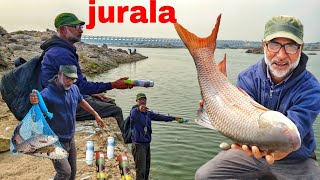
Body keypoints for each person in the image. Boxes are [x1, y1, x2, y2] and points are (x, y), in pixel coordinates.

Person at [195, 15, 320, 179]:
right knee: (204, 176)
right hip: (250, 154)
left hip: (295, 158)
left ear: (301, 48)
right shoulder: (248, 77)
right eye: (274, 45)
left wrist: (278, 151)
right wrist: (217, 107)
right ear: (264, 45)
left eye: (291, 46)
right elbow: (237, 121)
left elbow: (292, 132)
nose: (281, 55)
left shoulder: (312, 89)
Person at [39, 12, 134, 130]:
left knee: (109, 102)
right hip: (59, 105)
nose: (81, 31)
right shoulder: (61, 53)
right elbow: (79, 86)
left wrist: (90, 93)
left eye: (81, 27)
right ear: (63, 30)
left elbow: (75, 85)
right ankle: (121, 144)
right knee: (114, 110)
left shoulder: (63, 50)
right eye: (76, 27)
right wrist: (113, 85)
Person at [30, 65, 105, 180]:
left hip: (70, 138)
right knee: (65, 172)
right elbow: (34, 114)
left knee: (72, 173)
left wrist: (95, 113)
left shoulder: (74, 89)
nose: (70, 82)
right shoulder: (46, 94)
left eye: (73, 79)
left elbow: (80, 100)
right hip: (53, 141)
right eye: (67, 78)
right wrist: (33, 102)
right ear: (59, 74)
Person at [130, 93, 186, 180]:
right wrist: (139, 109)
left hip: (147, 144)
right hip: (138, 145)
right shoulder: (134, 112)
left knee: (147, 168)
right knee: (140, 169)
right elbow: (134, 112)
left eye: (144, 99)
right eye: (140, 99)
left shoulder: (148, 113)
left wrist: (174, 118)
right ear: (136, 101)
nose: (143, 101)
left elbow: (160, 117)